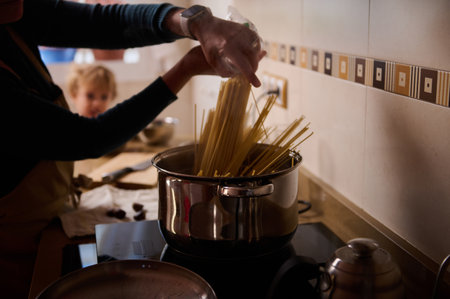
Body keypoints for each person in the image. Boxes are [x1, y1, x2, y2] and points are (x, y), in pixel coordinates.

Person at [0, 0, 265, 297]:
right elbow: (87, 137)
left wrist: (196, 22)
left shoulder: (14, 16)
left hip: (48, 223)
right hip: (11, 257)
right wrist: (185, 69)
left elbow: (104, 22)